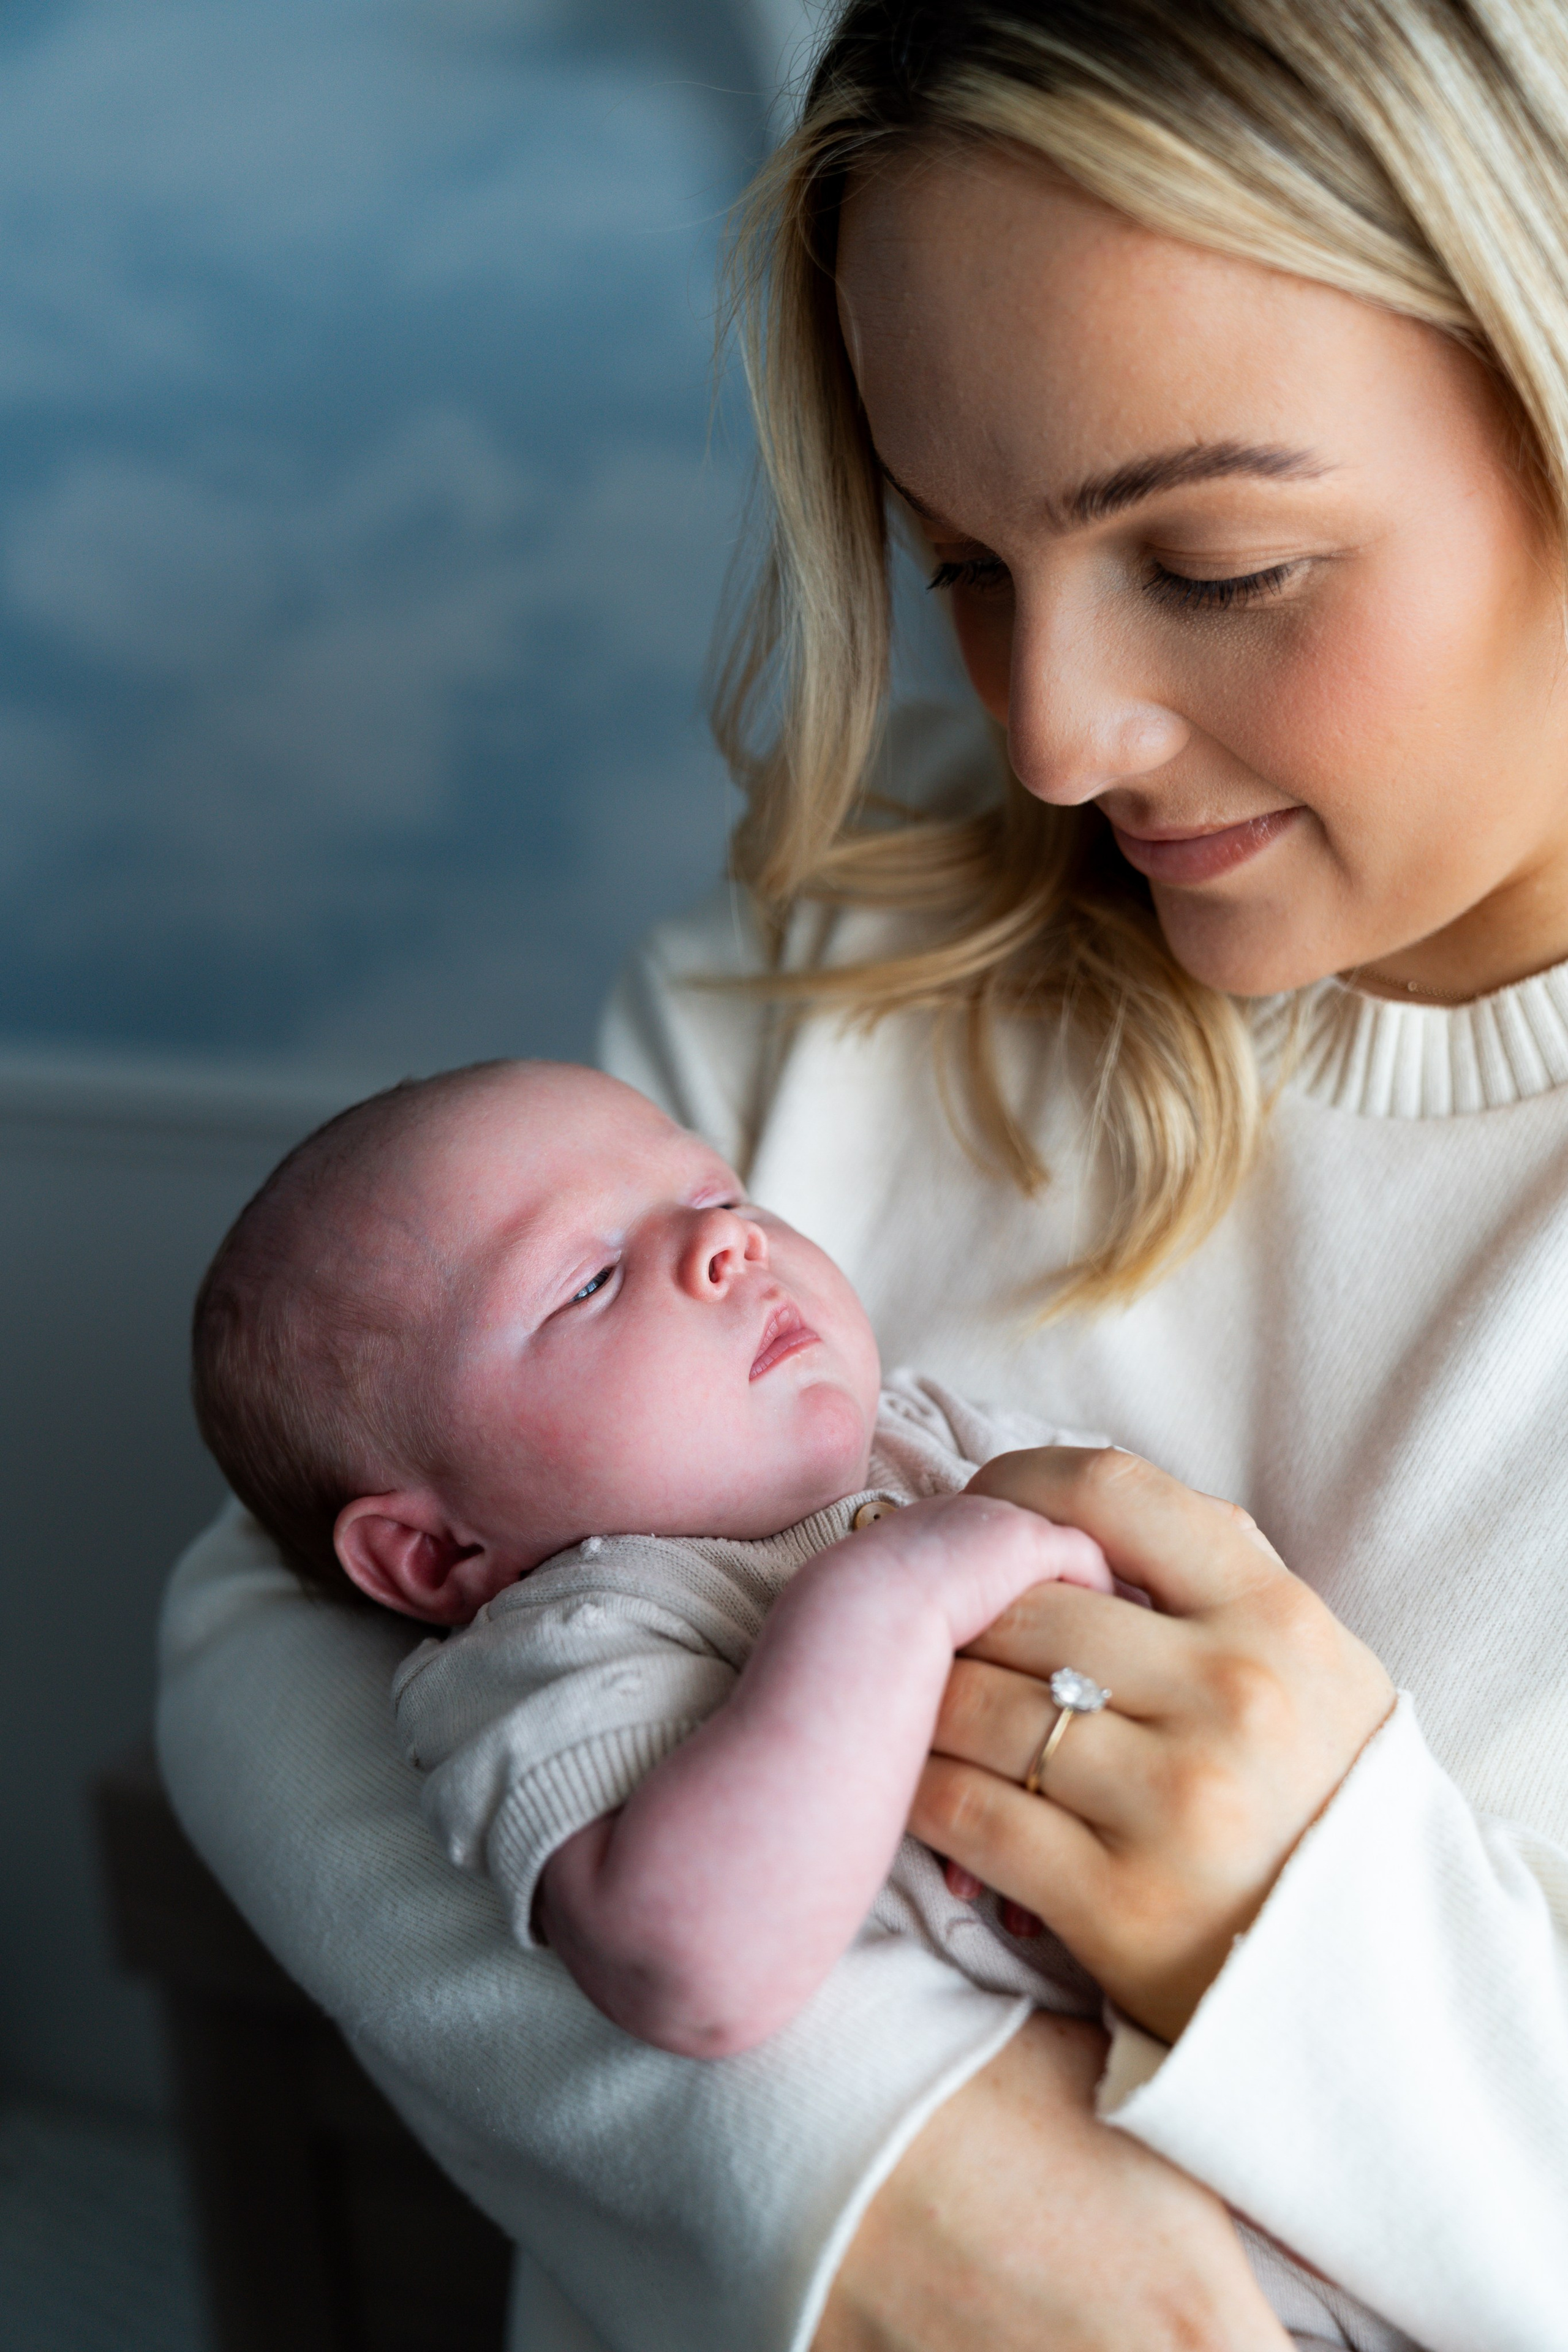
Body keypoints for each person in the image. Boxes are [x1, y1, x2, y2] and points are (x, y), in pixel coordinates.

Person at [157, 3, 1568, 2348]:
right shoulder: (803, 998)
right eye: (966, 568)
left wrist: (1306, 1938)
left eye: (1216, 561)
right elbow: (275, 1616)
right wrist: (874, 2167)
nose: (1057, 737)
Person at [188, 1055, 1123, 2041]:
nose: (727, 1240)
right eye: (590, 1282)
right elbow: (687, 1969)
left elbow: (1217, 1592)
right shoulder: (569, 1642)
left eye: (718, 1196)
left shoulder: (930, 1429)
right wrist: (886, 1599)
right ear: (434, 1553)